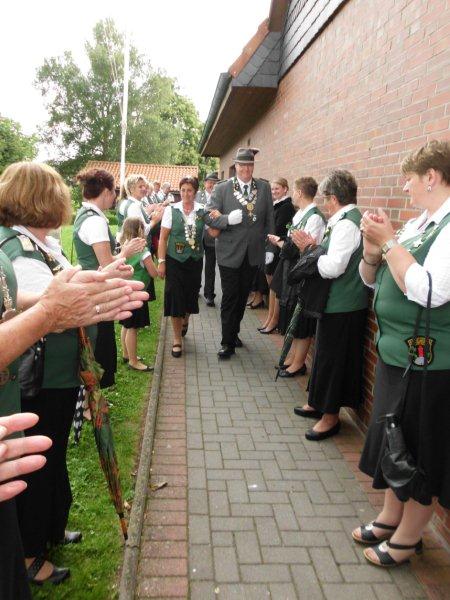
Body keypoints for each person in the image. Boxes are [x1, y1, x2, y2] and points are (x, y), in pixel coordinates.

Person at [0, 161, 147, 587]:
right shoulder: (17, 248)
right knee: (37, 464)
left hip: (58, 373)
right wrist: (100, 293)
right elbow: (49, 308)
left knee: (52, 458)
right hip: (41, 379)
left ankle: (48, 529)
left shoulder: (38, 243)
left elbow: (61, 292)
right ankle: (31, 552)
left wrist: (103, 279)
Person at [352, 140, 450, 568]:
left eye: (409, 179)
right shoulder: (418, 225)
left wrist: (389, 242)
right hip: (398, 357)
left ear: (431, 176)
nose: (405, 187)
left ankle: (409, 539)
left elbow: (431, 291)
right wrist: (373, 251)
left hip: (429, 362)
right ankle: (391, 517)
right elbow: (371, 280)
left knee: (420, 449)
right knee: (397, 441)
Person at [292, 170, 368, 440]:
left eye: (326, 198)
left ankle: (330, 417)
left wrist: (312, 252)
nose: (324, 203)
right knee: (324, 357)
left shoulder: (347, 225)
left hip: (344, 305)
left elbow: (333, 267)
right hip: (336, 303)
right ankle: (318, 403)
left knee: (333, 362)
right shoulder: (345, 221)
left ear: (334, 198)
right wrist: (315, 249)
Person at [73, 168, 146, 387]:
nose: (115, 196)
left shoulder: (85, 214)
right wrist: (126, 253)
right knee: (98, 346)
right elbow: (107, 264)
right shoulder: (95, 221)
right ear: (105, 191)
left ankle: (92, 396)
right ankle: (93, 396)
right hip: (95, 292)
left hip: (90, 286)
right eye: (114, 191)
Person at [205, 147, 274, 359]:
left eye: (249, 165)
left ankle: (234, 332)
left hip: (253, 253)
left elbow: (269, 219)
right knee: (230, 297)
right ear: (235, 166)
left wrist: (270, 248)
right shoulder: (222, 188)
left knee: (243, 296)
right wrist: (226, 220)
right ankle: (227, 342)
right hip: (229, 253)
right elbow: (207, 216)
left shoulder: (263, 187)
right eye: (242, 165)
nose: (246, 169)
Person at [269, 177, 325, 377]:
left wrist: (282, 244)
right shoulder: (301, 214)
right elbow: (293, 242)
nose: (293, 194)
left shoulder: (314, 218)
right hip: (292, 269)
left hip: (304, 273)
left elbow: (305, 249)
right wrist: (283, 242)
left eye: (294, 190)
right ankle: (292, 357)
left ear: (300, 192)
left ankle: (299, 363)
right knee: (292, 316)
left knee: (301, 321)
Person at [158, 176, 216, 358]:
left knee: (190, 297)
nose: (185, 194)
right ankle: (177, 340)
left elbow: (214, 232)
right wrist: (161, 262)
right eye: (183, 190)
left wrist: (219, 217)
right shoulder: (171, 210)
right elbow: (163, 239)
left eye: (189, 190)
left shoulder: (202, 211)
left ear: (195, 192)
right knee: (175, 297)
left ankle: (186, 319)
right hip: (174, 261)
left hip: (194, 260)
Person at [119, 217, 159, 371]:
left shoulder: (124, 247)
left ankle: (126, 353)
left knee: (126, 324)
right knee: (133, 328)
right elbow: (153, 273)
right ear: (141, 230)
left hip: (125, 290)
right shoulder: (143, 251)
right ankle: (133, 361)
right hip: (137, 293)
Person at [259, 177, 295, 334]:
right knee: (271, 285)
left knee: (275, 286)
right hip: (270, 246)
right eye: (272, 189)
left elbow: (278, 228)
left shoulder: (286, 207)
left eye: (277, 188)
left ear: (285, 189)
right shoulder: (276, 204)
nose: (274, 191)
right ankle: (270, 317)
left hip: (278, 249)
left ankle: (274, 320)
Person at [196, 172, 220, 306]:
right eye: (210, 182)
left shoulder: (220, 197)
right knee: (196, 263)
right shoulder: (197, 195)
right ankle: (195, 288)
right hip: (197, 236)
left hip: (212, 236)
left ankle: (209, 294)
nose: (212, 185)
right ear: (205, 183)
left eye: (214, 183)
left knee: (210, 267)